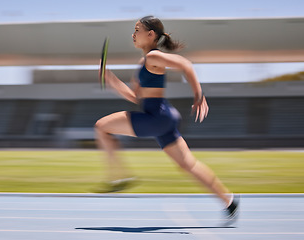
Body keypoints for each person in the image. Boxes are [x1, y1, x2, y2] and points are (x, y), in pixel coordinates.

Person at [94, 15, 239, 225]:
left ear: (150, 35)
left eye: (137, 30)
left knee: (101, 127)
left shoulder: (154, 57)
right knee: (188, 165)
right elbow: (136, 97)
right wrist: (111, 80)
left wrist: (199, 95)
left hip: (156, 117)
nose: (133, 34)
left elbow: (186, 65)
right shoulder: (145, 61)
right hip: (162, 117)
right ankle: (229, 201)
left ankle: (120, 176)